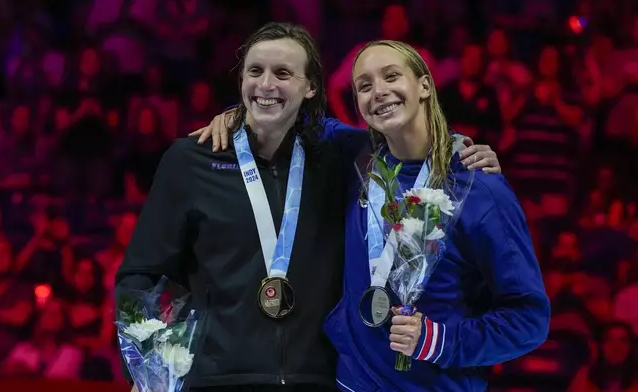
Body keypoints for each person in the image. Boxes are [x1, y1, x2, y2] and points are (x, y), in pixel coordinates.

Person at [119, 23, 499, 392]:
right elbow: (140, 276)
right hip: (215, 380)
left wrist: (457, 147)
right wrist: (148, 366)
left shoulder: (338, 157)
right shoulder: (193, 159)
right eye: (256, 71)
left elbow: (402, 140)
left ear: (311, 87)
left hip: (316, 380)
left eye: (283, 73)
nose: (266, 84)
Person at [323, 40, 548, 391]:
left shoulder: (481, 189)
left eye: (391, 76)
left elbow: (529, 320)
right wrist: (235, 116)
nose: (378, 91)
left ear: (425, 85)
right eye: (364, 86)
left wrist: (439, 341)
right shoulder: (355, 161)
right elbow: (285, 116)